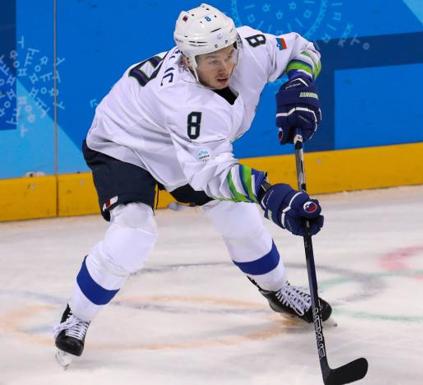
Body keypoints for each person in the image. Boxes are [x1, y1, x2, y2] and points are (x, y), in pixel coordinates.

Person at [53, 3, 330, 363]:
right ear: (187, 60)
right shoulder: (185, 100)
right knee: (133, 233)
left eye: (227, 54)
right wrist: (268, 194)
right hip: (124, 142)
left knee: (240, 218)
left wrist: (299, 80)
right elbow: (211, 174)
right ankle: (76, 316)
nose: (224, 67)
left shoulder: (251, 47)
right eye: (210, 60)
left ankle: (278, 290)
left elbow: (302, 48)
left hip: (182, 146)